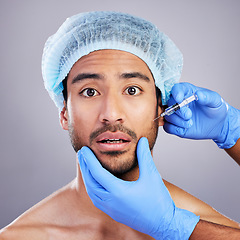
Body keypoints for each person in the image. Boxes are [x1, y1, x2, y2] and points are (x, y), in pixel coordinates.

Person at [0, 11, 239, 239]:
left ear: (161, 107)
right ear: (64, 113)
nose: (112, 114)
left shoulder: (209, 229)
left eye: (132, 90)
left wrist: (175, 227)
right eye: (90, 91)